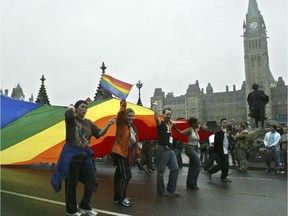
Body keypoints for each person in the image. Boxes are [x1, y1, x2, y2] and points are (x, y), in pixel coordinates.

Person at [51, 100, 115, 216]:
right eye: (82, 107)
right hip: (72, 158)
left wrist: (109, 124)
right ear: (76, 109)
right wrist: (70, 107)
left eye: (86, 107)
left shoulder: (89, 123)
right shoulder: (71, 120)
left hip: (85, 158)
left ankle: (85, 206)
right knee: (72, 185)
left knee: (92, 181)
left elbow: (99, 134)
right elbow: (69, 113)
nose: (84, 109)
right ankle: (71, 211)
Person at [111, 100, 140, 207]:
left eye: (133, 116)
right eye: (129, 116)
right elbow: (120, 114)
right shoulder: (121, 124)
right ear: (125, 116)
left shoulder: (133, 128)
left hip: (127, 154)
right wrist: (123, 104)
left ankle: (117, 197)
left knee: (119, 176)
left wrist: (137, 155)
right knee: (126, 175)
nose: (131, 118)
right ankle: (121, 198)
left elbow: (135, 143)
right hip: (120, 152)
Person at [151, 103, 180, 197]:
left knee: (175, 168)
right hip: (162, 148)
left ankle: (171, 188)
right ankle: (161, 191)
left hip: (170, 149)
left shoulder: (169, 124)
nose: (168, 116)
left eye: (170, 114)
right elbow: (155, 118)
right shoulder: (161, 123)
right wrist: (155, 106)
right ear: (163, 114)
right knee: (161, 171)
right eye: (167, 114)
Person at [173, 117, 201, 190]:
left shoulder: (196, 130)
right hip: (190, 148)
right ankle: (193, 183)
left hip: (195, 148)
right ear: (193, 123)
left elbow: (201, 128)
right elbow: (181, 133)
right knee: (198, 165)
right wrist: (175, 127)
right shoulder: (189, 129)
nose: (198, 124)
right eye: (197, 123)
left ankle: (189, 184)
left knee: (192, 166)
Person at [205, 118, 231, 183]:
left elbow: (228, 140)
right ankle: (209, 171)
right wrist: (217, 151)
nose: (225, 123)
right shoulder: (218, 132)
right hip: (220, 151)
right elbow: (217, 141)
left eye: (226, 122)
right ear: (221, 123)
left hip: (226, 150)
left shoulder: (227, 131)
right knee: (222, 164)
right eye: (224, 122)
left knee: (226, 165)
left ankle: (223, 177)